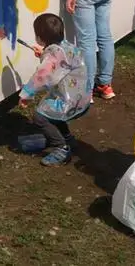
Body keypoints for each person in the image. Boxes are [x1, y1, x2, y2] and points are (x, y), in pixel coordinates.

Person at [20, 14, 91, 166]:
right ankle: (68, 139)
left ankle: (62, 148)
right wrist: (45, 53)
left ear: (39, 38)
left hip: (69, 101)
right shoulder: (66, 47)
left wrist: (26, 94)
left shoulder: (53, 56)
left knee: (40, 116)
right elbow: (59, 65)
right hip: (82, 97)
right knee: (52, 113)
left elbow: (42, 77)